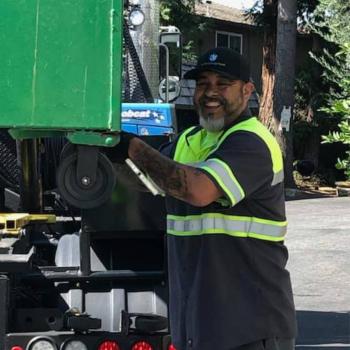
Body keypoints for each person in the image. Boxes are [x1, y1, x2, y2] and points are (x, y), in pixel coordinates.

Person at [116, 47, 297, 350]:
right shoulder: (188, 142)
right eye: (203, 83)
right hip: (199, 324)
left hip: (250, 328)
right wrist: (103, 152)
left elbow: (198, 190)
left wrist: (132, 147)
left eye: (222, 84)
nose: (210, 92)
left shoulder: (252, 142)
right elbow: (142, 180)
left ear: (247, 90)